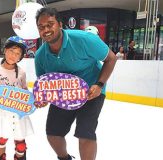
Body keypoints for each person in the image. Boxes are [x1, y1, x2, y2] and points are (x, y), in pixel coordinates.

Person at [35, 8, 117, 160]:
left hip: (91, 90)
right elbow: (44, 85)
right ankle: (65, 158)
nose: (46, 29)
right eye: (41, 27)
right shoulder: (40, 56)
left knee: (85, 131)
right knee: (53, 133)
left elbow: (111, 58)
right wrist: (43, 99)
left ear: (60, 24)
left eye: (50, 24)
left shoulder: (85, 39)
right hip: (62, 94)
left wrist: (99, 84)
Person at [0, 36, 34, 160]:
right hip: (2, 113)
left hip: (18, 113)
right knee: (2, 139)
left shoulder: (21, 72)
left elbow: (25, 90)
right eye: (11, 51)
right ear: (5, 50)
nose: (13, 55)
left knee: (20, 145)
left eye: (17, 53)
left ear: (20, 57)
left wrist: (30, 100)